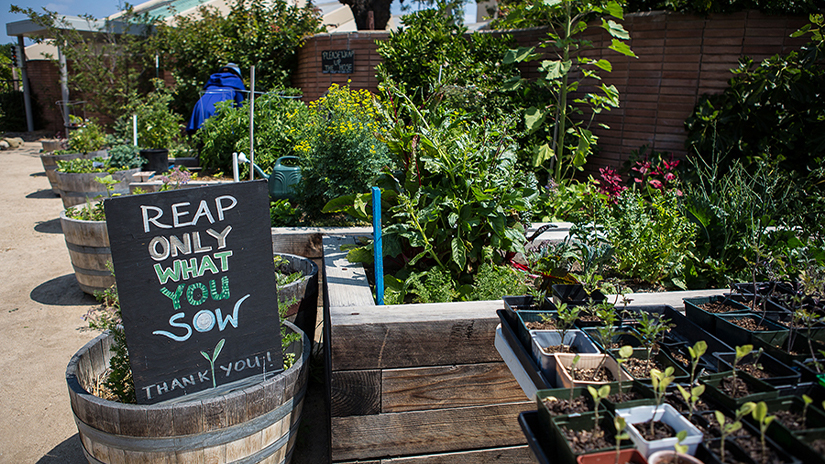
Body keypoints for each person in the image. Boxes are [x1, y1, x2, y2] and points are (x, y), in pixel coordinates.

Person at [185, 63, 246, 135]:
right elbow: (240, 107)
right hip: (218, 107)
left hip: (200, 106)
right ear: (237, 74)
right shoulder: (236, 81)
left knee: (201, 136)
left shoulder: (213, 79)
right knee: (221, 136)